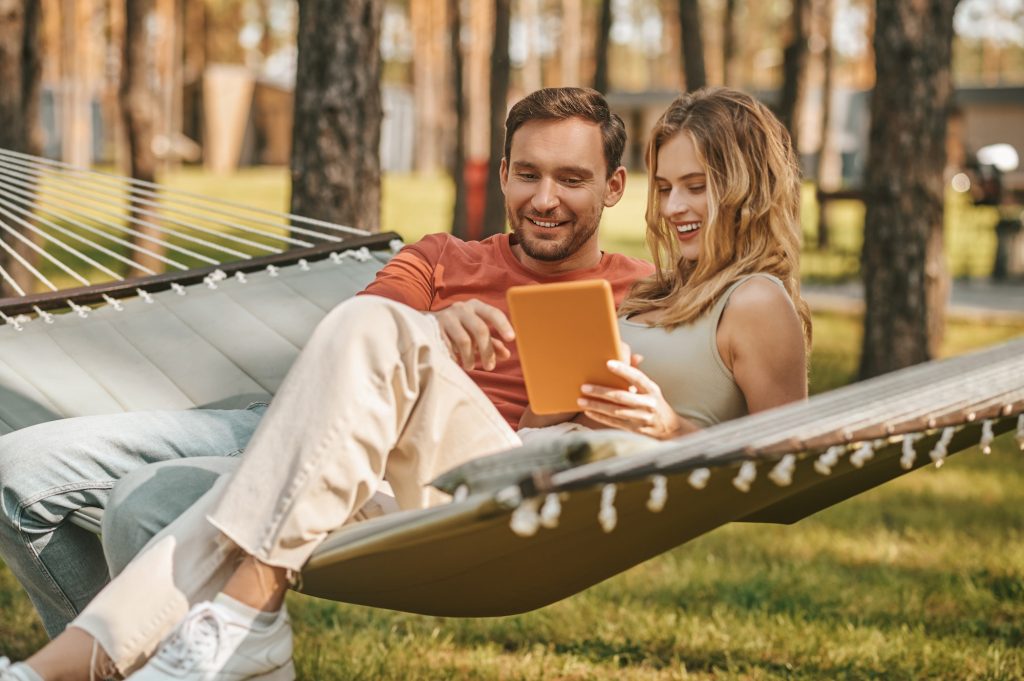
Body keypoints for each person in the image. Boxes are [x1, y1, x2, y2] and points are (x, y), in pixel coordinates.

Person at [2, 86, 810, 681]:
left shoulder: (750, 299)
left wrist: (668, 429)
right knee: (143, 497)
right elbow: (534, 403)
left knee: (381, 328)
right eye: (671, 187)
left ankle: (240, 613)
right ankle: (68, 672)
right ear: (502, 174)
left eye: (697, 185)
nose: (676, 207)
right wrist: (506, 369)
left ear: (612, 188)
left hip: (508, 487)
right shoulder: (658, 292)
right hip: (407, 439)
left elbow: (794, 471)